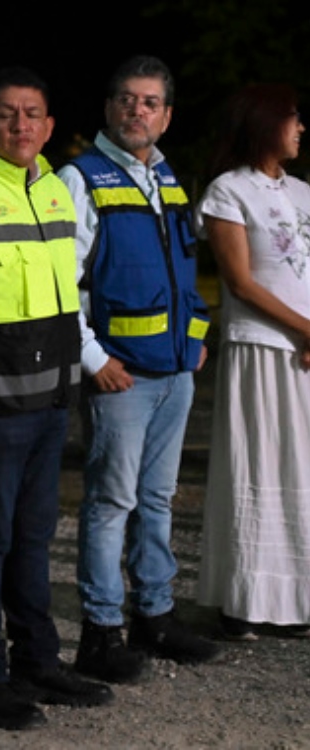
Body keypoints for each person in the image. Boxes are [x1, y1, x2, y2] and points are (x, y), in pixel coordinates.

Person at [0, 66, 114, 730]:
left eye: (33, 114)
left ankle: (37, 661)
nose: (21, 126)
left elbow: (70, 290)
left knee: (34, 536)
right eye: (7, 115)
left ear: (48, 123)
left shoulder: (55, 192)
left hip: (51, 398)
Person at [57, 54, 218, 683]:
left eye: (150, 102)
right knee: (110, 502)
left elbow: (186, 275)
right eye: (127, 99)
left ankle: (155, 614)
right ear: (108, 108)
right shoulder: (82, 177)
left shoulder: (169, 179)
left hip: (175, 372)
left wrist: (197, 338)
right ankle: (101, 630)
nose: (137, 111)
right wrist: (94, 360)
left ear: (166, 115)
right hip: (120, 377)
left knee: (156, 498)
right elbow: (61, 285)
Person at [193, 82, 310, 640]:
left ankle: (293, 601)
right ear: (266, 123)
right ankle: (246, 599)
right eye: (292, 119)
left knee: (301, 469)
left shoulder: (304, 192)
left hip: (304, 349)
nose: (300, 128)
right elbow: (239, 281)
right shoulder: (227, 191)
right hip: (261, 347)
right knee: (259, 462)